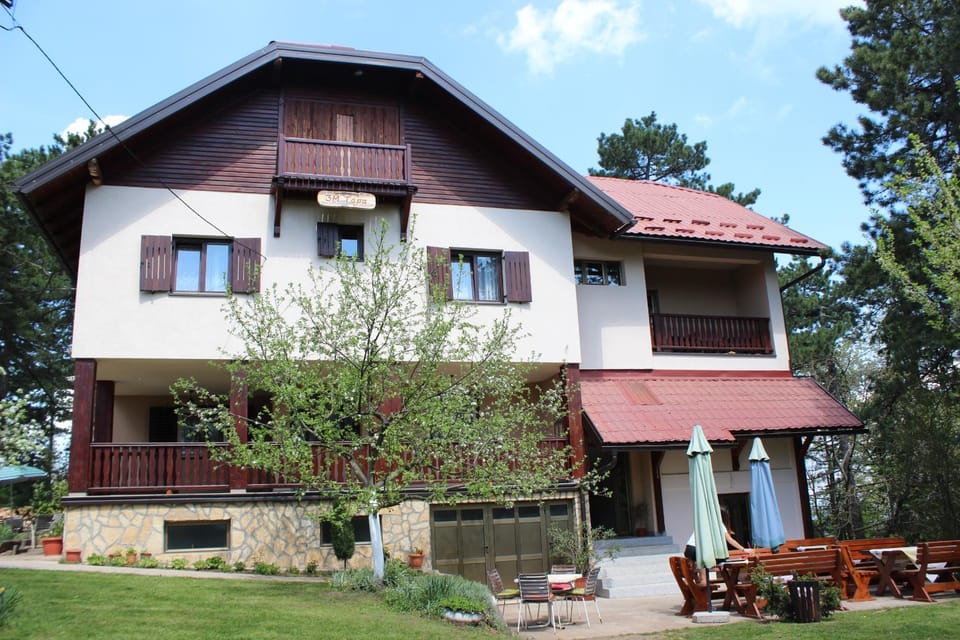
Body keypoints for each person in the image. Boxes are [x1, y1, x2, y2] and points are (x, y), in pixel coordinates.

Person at [683, 505, 746, 586]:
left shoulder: (704, 523)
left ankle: (694, 581)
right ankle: (702, 583)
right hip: (698, 550)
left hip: (688, 548)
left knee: (697, 568)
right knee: (704, 578)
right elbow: (730, 540)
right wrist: (743, 549)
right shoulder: (718, 524)